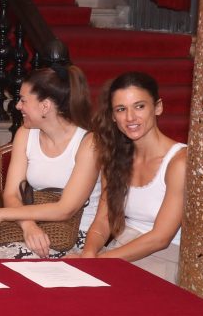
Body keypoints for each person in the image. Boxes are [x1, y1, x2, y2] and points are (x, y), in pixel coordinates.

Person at [0, 62, 99, 258]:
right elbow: (11, 194)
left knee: (3, 258)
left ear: (45, 106)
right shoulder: (25, 133)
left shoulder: (89, 143)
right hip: (34, 225)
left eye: (23, 100)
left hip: (76, 235)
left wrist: (0, 213)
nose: (17, 106)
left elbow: (65, 209)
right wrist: (28, 226)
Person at [77, 72, 186, 283]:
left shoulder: (179, 162)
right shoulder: (115, 157)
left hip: (163, 257)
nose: (130, 117)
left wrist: (99, 261)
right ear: (112, 116)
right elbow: (103, 220)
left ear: (158, 107)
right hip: (120, 249)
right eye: (121, 109)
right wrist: (88, 255)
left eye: (139, 106)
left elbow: (160, 238)